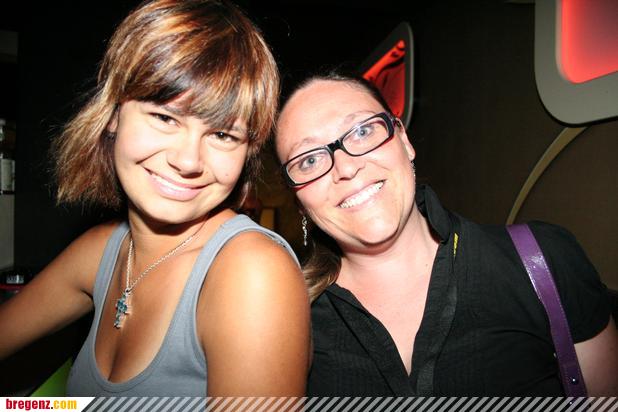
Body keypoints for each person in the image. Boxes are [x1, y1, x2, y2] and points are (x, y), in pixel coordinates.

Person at [0, 0, 311, 396]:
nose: (188, 161)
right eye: (165, 117)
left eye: (222, 135)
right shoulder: (103, 249)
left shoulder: (252, 273)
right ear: (114, 113)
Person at [274, 72, 618, 396]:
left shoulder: (544, 260)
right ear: (299, 202)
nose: (346, 168)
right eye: (308, 160)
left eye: (363, 131)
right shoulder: (283, 322)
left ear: (404, 141)